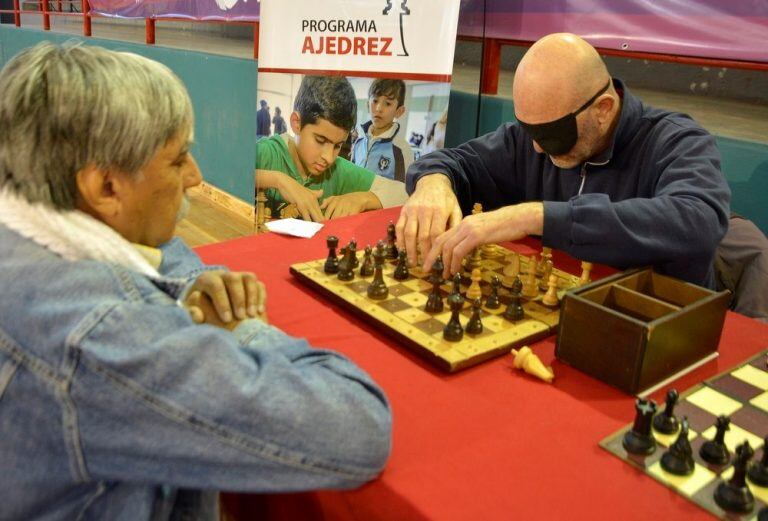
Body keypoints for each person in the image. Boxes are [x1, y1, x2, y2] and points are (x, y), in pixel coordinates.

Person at [0, 42, 391, 521]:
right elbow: (358, 426)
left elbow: (163, 249)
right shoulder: (99, 339)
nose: (196, 176)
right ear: (104, 187)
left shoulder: (31, 219)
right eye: (177, 158)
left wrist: (192, 284)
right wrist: (243, 327)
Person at [396, 33, 730, 289]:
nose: (538, 149)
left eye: (552, 133)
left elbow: (699, 221)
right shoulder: (531, 141)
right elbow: (453, 162)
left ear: (604, 110)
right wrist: (432, 183)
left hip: (656, 329)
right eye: (530, 130)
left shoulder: (677, 141)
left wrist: (537, 217)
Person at [255, 75, 406, 222]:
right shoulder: (267, 153)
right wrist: (277, 180)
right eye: (320, 140)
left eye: (337, 146)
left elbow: (406, 193)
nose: (328, 157)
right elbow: (233, 170)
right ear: (296, 123)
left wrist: (364, 199)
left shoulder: (338, 170)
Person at [351, 78, 414, 181]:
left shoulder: (402, 149)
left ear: (399, 111)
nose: (379, 108)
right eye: (375, 101)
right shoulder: (359, 143)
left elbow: (403, 190)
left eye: (388, 103)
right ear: (368, 104)